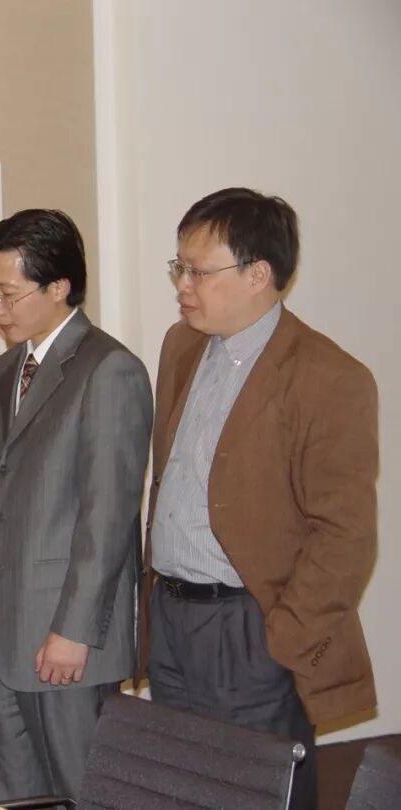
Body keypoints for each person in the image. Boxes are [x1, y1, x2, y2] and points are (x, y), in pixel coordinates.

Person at [143, 188, 378, 809]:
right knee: (182, 789)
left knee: (253, 792)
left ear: (258, 275)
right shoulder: (181, 346)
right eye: (178, 268)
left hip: (249, 625)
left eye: (198, 272)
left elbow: (345, 535)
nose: (182, 285)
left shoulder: (328, 377)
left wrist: (285, 634)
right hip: (172, 616)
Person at [0, 209, 152, 802]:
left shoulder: (110, 370)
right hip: (2, 631)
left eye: (7, 293)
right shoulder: (8, 369)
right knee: (11, 793)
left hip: (65, 635)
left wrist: (73, 631)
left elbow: (108, 517)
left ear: (58, 287)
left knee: (81, 791)